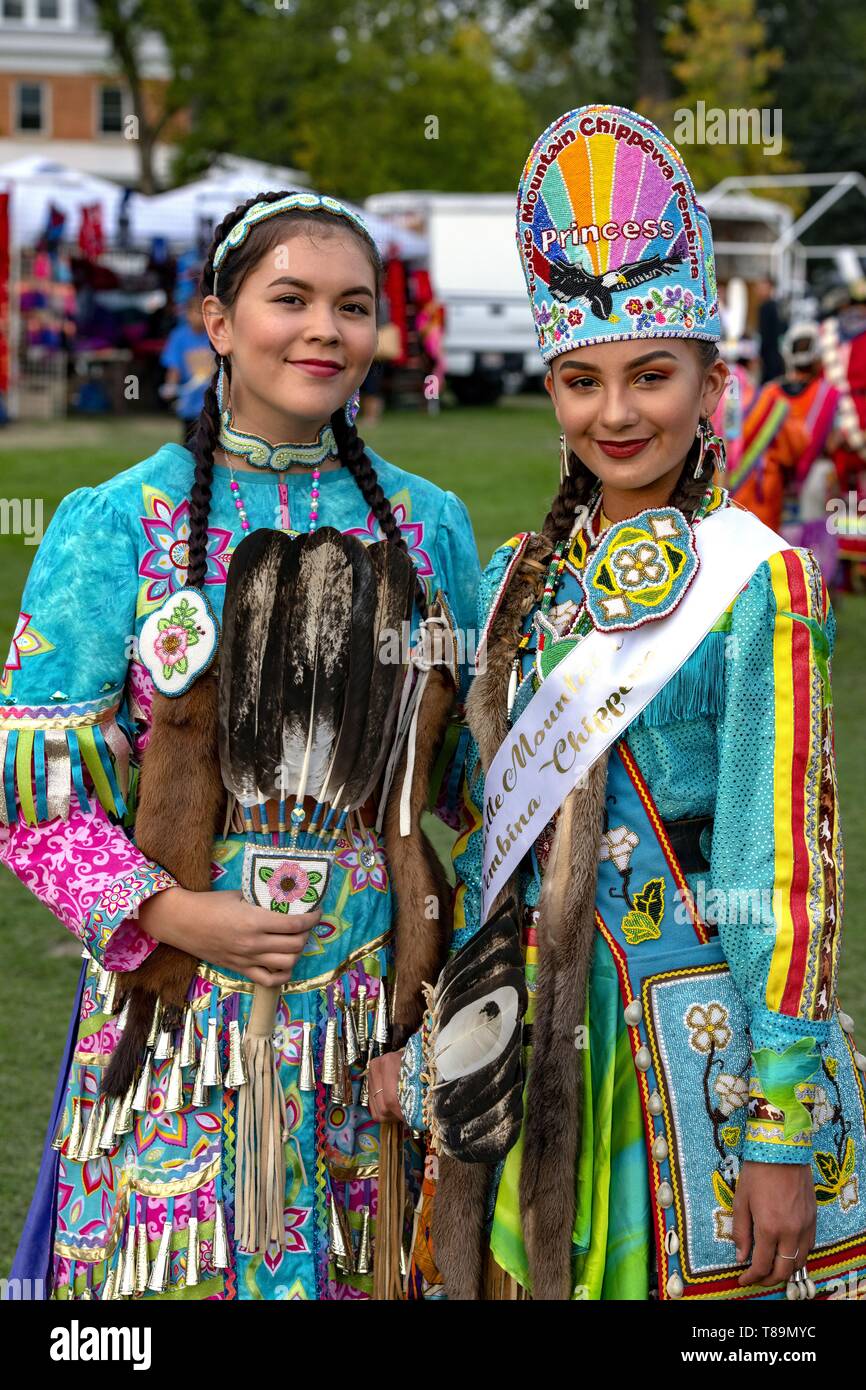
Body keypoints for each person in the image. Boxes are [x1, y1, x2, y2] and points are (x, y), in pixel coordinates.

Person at [370, 105, 866, 1302]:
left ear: (710, 379)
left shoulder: (760, 580)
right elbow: (493, 835)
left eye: (651, 374)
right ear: (551, 389)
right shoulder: (506, 588)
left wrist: (778, 1127)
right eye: (581, 382)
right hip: (527, 1043)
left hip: (691, 1048)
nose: (617, 413)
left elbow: (778, 862)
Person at [0, 191, 480, 1300]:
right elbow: (32, 799)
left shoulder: (427, 526)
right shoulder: (119, 521)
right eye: (291, 300)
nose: (325, 330)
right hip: (184, 1010)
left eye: (352, 307)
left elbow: (466, 780)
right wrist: (170, 912)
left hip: (379, 1020)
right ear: (217, 320)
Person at [159, 294, 215, 443]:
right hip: (190, 400)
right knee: (190, 443)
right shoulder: (179, 336)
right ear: (187, 313)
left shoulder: (215, 335)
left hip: (212, 399)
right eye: (196, 312)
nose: (200, 317)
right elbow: (174, 367)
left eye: (205, 313)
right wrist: (171, 386)